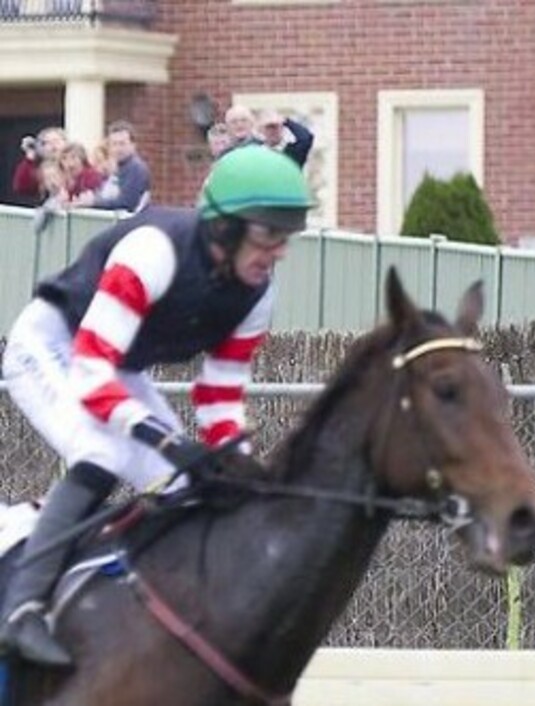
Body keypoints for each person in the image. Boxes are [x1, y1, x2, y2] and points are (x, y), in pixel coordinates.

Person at [0, 145, 313, 667]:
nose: (278, 252)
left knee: (188, 483)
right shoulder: (154, 251)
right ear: (224, 228)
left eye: (286, 238)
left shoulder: (257, 296)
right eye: (267, 235)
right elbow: (92, 373)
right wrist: (165, 440)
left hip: (118, 366)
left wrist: (231, 462)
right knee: (103, 452)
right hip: (53, 346)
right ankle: (21, 607)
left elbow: (220, 396)